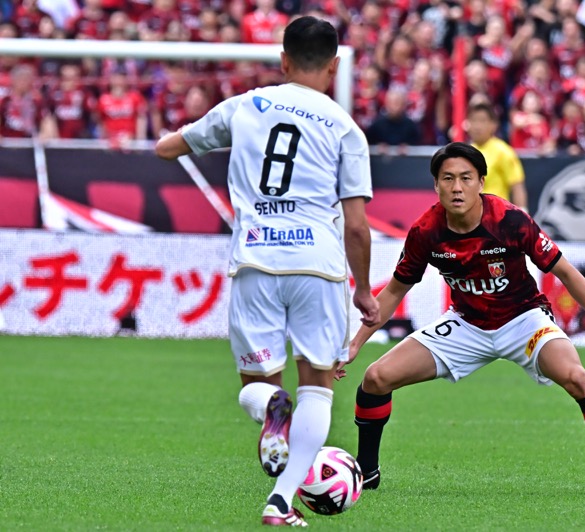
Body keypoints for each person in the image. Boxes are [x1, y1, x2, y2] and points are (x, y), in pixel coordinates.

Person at [155, 16, 380, 527]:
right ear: (335, 66)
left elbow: (171, 147)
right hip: (317, 267)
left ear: (282, 60)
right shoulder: (345, 128)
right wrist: (363, 290)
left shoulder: (245, 106)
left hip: (256, 259)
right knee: (319, 386)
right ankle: (279, 502)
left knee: (253, 384)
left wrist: (165, 145)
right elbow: (359, 227)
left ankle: (269, 407)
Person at [340, 142, 585, 496]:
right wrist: (355, 343)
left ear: (481, 182)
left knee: (577, 378)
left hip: (523, 320)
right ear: (436, 185)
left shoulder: (509, 219)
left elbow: (564, 270)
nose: (457, 187)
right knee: (376, 378)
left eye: (465, 178)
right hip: (466, 324)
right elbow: (394, 291)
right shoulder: (426, 230)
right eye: (448, 179)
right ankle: (367, 472)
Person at [465, 102, 528, 211]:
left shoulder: (503, 151)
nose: (477, 126)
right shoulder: (465, 153)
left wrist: (522, 216)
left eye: (482, 121)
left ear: (493, 125)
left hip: (496, 217)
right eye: (474, 121)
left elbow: (517, 186)